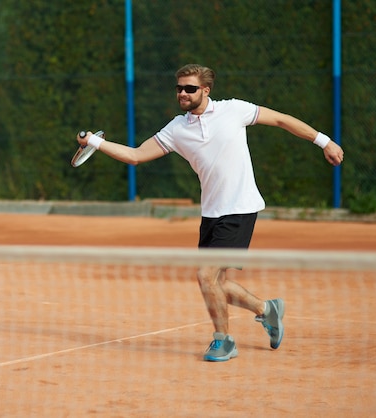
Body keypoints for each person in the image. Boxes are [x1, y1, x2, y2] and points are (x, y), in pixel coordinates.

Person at [76, 63, 344, 362]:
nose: (183, 93)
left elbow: (281, 120)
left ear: (206, 90)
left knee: (205, 275)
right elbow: (136, 156)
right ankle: (267, 310)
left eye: (190, 88)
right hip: (212, 213)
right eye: (179, 88)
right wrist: (96, 143)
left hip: (240, 208)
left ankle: (223, 341)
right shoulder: (177, 129)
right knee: (217, 283)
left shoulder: (234, 110)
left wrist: (324, 141)